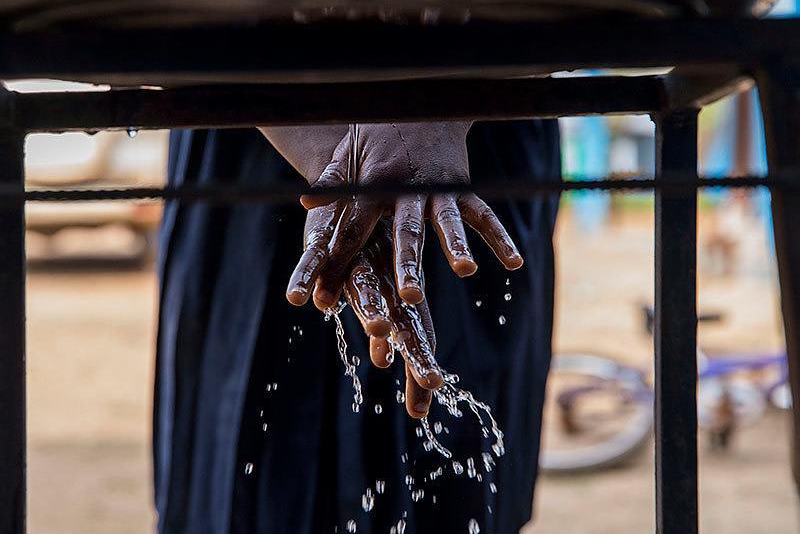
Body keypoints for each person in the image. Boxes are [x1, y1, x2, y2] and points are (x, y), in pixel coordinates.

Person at [154, 119, 560, 533]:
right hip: (255, 136)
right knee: (255, 477)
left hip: (468, 141)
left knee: (454, 483)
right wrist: (334, 160)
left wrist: (435, 119)